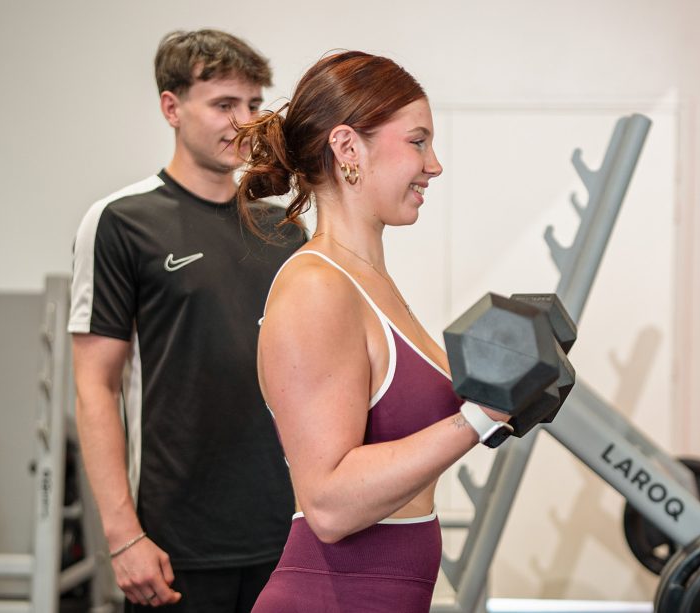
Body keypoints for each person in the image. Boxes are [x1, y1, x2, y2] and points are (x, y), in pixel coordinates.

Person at [235, 51, 514, 613]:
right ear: (347, 148)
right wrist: (479, 418)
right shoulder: (317, 286)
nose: (434, 165)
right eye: (417, 142)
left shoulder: (370, 281)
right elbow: (329, 504)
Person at [68, 29, 303, 612]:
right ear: (171, 108)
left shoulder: (285, 231)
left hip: (287, 530)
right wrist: (124, 536)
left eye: (253, 104)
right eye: (224, 104)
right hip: (176, 540)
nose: (244, 122)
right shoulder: (122, 221)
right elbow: (95, 387)